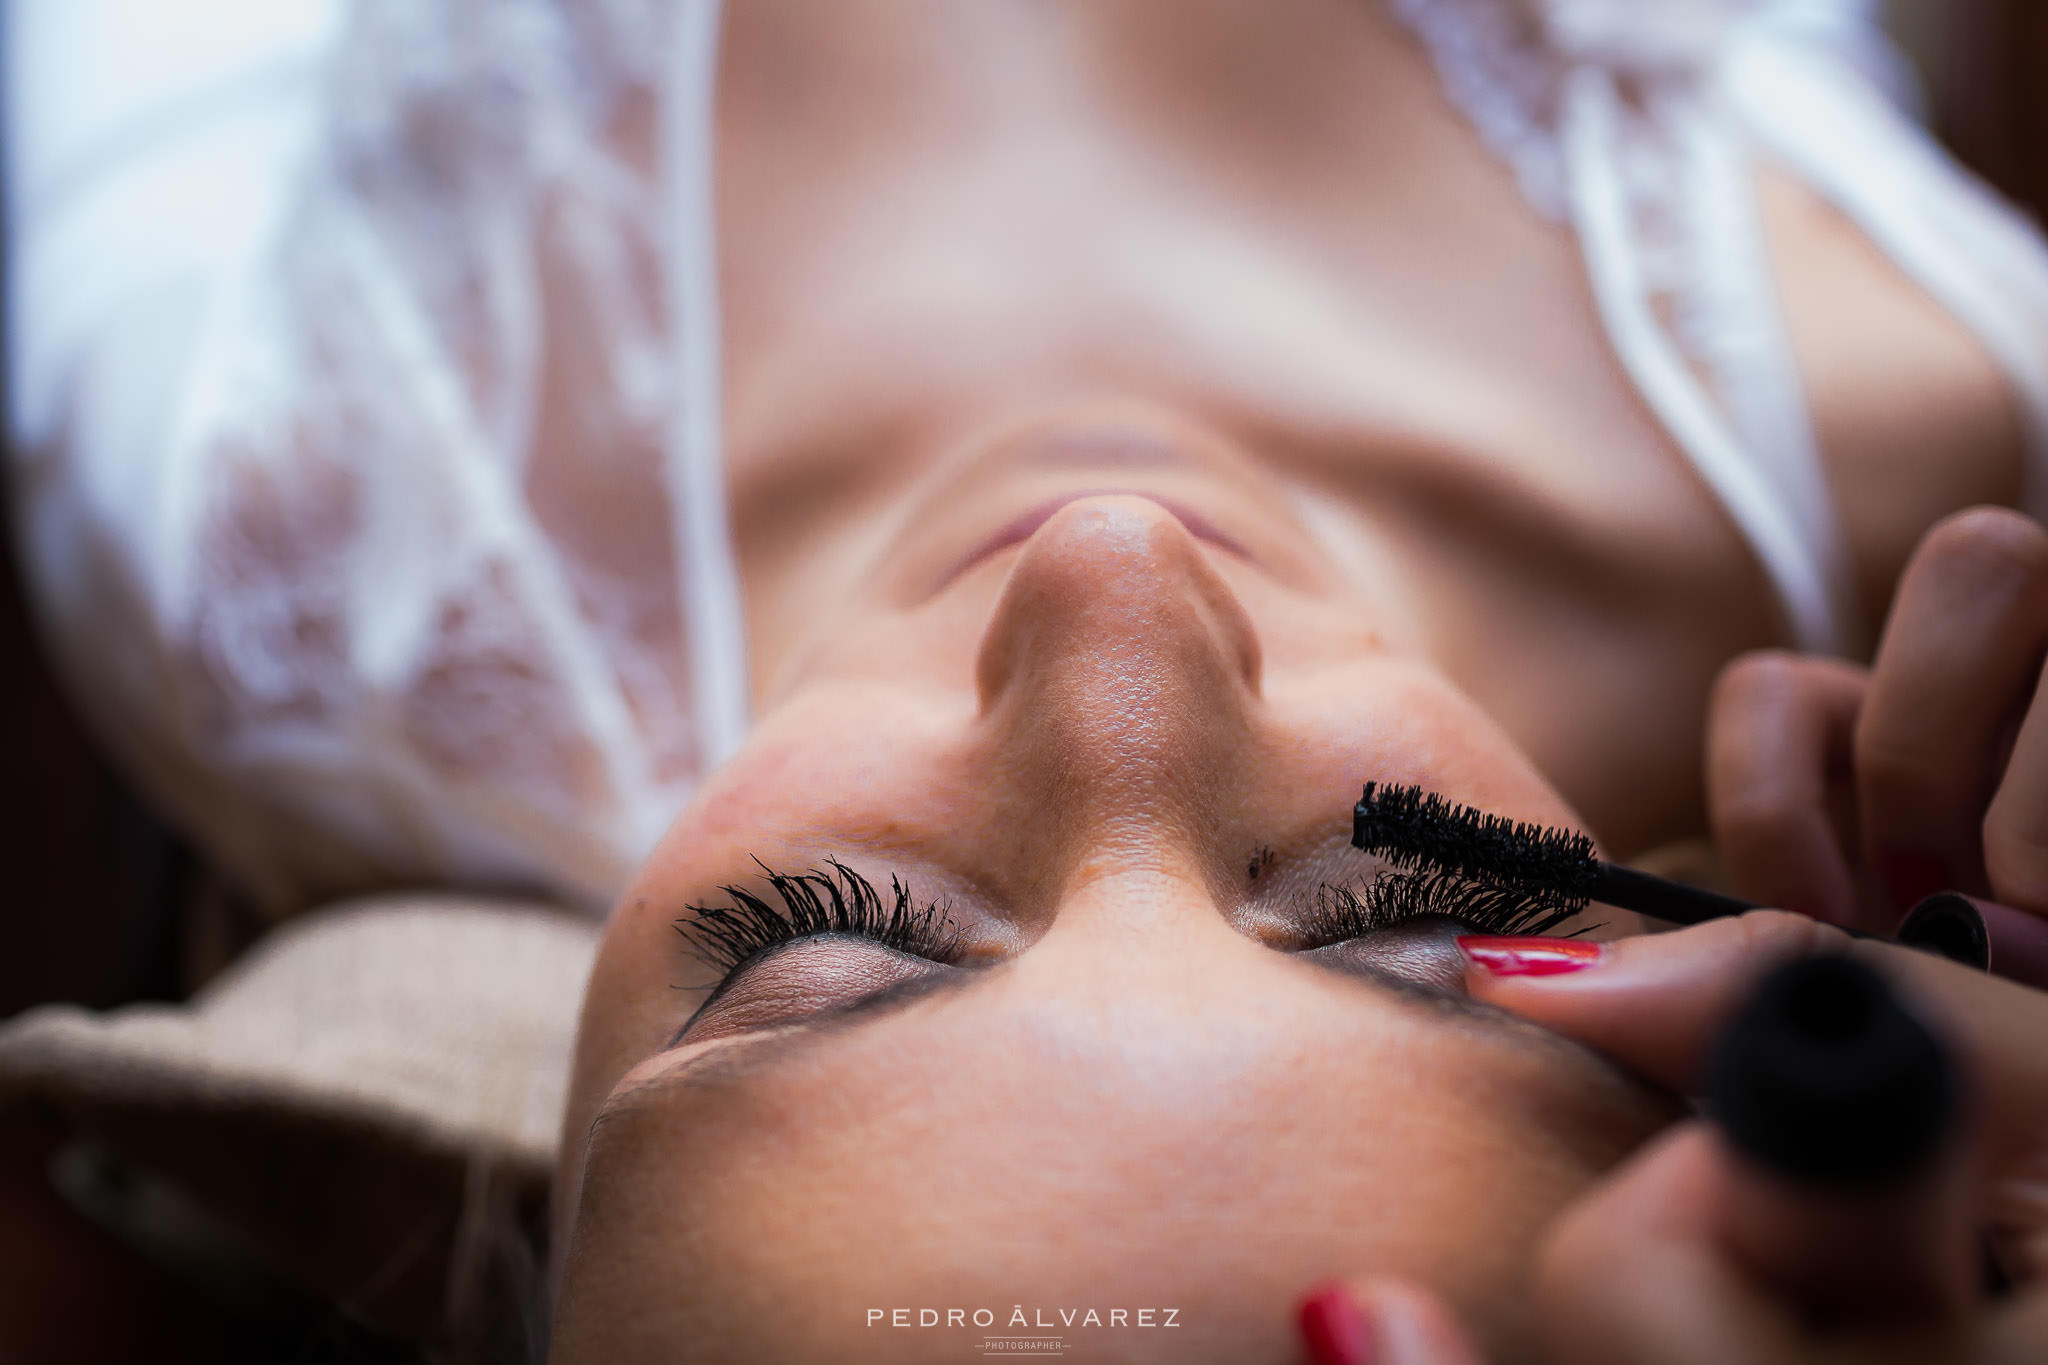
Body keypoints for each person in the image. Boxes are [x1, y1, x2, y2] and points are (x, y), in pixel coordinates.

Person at [10, 0, 2048, 1360]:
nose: (1111, 580)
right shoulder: (1925, 436)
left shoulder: (280, 531)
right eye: (1398, 909)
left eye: (842, 936)